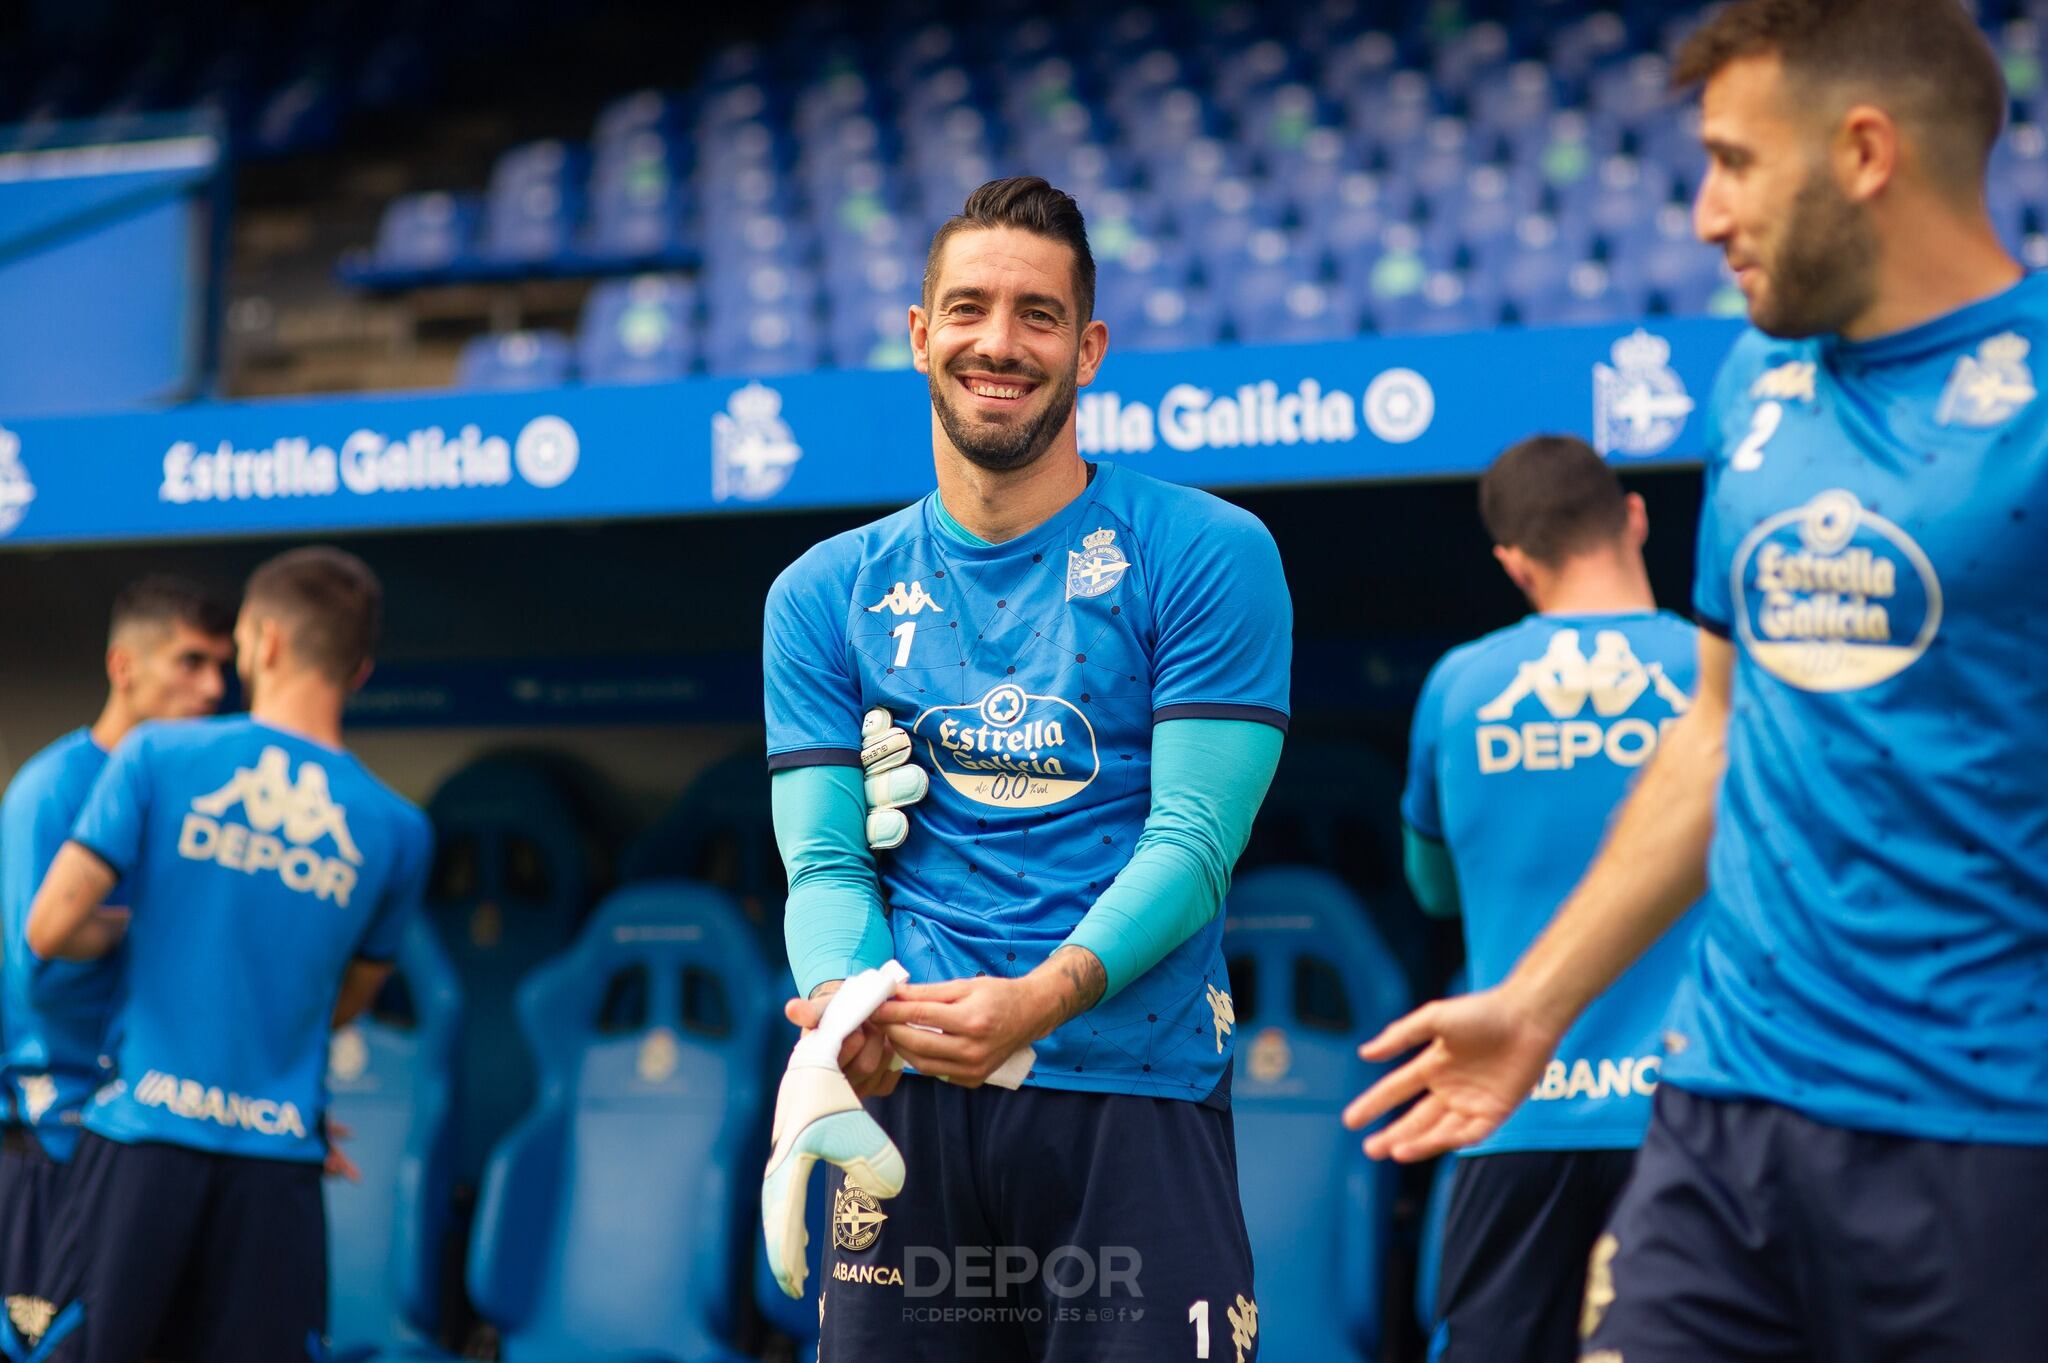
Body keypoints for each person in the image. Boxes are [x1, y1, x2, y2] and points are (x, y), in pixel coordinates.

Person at [1344, 2, 2048, 1359]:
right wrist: (1536, 1003)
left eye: (1734, 161)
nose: (1703, 213)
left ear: (1862, 151)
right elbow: (1715, 736)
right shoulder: (1760, 390)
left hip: (1982, 1137)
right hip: (1723, 1113)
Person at [763, 176, 1291, 1361]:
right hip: (912, 1109)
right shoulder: (819, 592)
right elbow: (823, 858)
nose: (997, 342)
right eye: (966, 309)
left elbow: (1194, 843)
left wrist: (1041, 1000)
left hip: (1132, 1095)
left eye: (1036, 315)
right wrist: (850, 1011)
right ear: (918, 334)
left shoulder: (1208, 552)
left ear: (1088, 348)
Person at [27, 547, 433, 1363]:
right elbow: (344, 999)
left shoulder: (158, 754)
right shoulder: (397, 828)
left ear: (265, 640)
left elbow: (52, 928)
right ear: (359, 671)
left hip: (140, 1140)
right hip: (277, 1164)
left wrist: (154, 927)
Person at [1401, 436, 1698, 1363]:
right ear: (1637, 517)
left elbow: (1431, 888)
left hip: (1514, 1112)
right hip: (1691, 1116)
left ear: (1514, 561)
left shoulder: (1460, 685)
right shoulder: (1717, 672)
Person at [0, 576, 235, 1347]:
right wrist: (167, 926)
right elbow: (44, 947)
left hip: (158, 1136)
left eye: (222, 665)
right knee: (47, 1341)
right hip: (57, 1137)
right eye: (190, 661)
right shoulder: (52, 786)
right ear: (123, 664)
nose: (212, 686)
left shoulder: (193, 790)